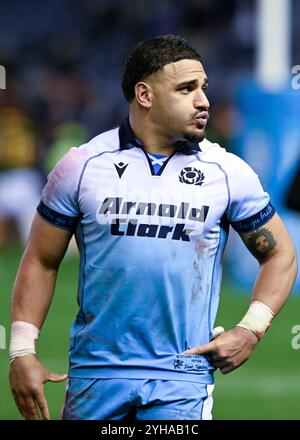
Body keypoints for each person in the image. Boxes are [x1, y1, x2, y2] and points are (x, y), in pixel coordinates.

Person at [9, 35, 297, 421]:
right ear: (144, 94)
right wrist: (22, 350)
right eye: (186, 89)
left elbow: (280, 253)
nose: (204, 101)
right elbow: (41, 260)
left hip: (183, 379)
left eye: (204, 88)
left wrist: (251, 329)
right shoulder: (81, 167)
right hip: (95, 378)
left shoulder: (227, 172)